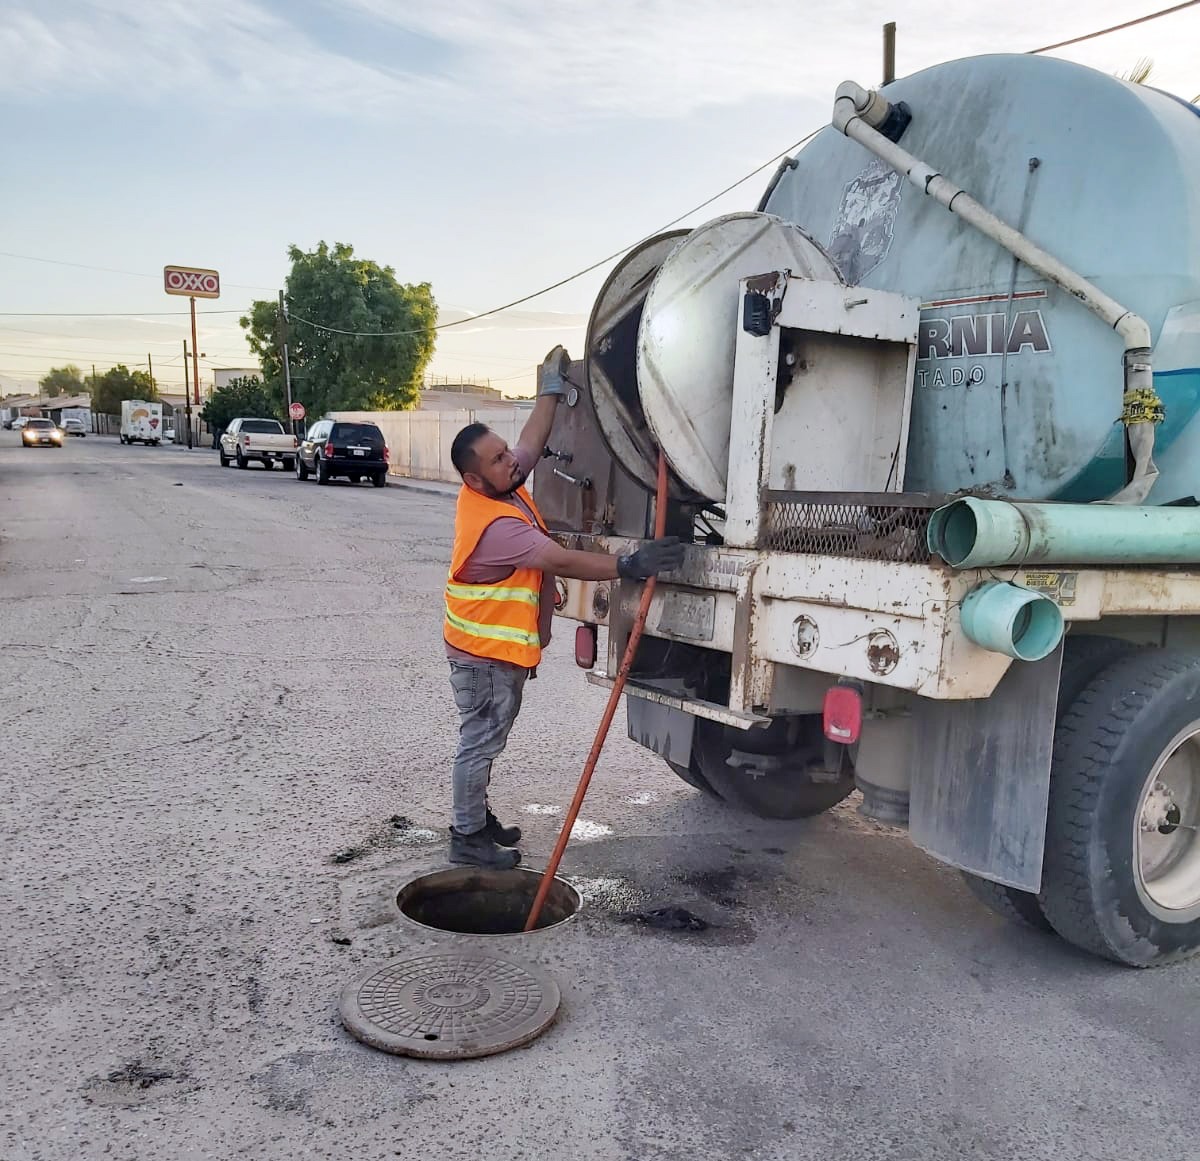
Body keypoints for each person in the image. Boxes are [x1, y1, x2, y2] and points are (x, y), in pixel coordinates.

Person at [444, 346, 685, 869]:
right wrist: (630, 565)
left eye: (506, 452)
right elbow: (562, 559)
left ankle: (475, 821)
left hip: (490, 651)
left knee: (484, 740)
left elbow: (532, 441)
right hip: (484, 657)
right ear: (474, 480)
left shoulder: (497, 485)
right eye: (499, 459)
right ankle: (466, 838)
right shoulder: (497, 527)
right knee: (480, 743)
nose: (514, 461)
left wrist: (550, 391)